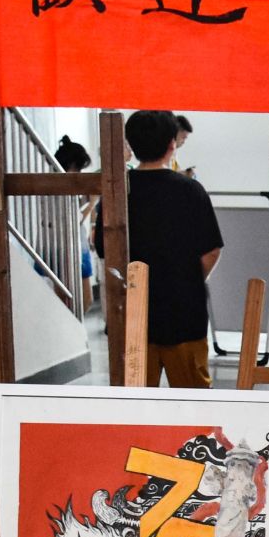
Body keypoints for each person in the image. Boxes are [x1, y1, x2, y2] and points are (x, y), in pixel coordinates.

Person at [95, 109, 223, 389]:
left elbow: (105, 250)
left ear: (131, 145)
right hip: (184, 313)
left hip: (132, 316)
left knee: (137, 404)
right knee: (193, 402)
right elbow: (211, 250)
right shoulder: (190, 190)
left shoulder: (117, 193)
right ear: (171, 144)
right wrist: (187, 280)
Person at [55, 135, 97, 311]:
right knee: (80, 299)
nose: (80, 173)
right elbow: (73, 219)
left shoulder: (57, 183)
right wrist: (92, 204)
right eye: (78, 168)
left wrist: (86, 200)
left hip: (72, 245)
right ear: (71, 165)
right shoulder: (57, 185)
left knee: (79, 299)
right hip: (65, 246)